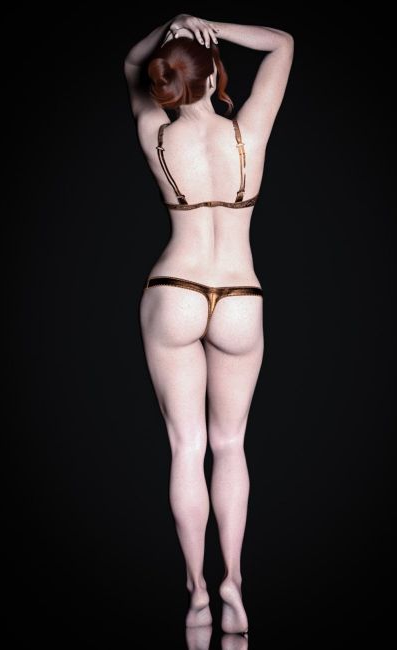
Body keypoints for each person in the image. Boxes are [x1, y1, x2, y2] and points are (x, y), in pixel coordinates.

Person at [124, 14, 293, 636]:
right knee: (230, 445)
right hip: (241, 294)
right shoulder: (250, 130)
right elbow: (283, 43)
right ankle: (234, 584)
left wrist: (172, 26)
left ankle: (196, 591)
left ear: (167, 83)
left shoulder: (155, 132)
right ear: (214, 72)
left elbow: (131, 64)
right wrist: (209, 26)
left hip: (175, 289)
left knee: (187, 447)